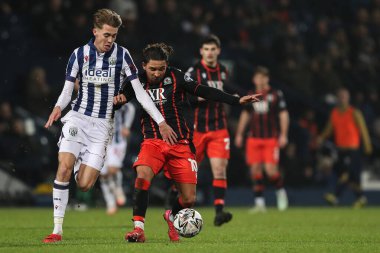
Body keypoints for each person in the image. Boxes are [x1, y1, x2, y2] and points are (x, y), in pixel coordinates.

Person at [42, 9, 176, 243]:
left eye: (114, 35)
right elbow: (67, 88)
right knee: (63, 167)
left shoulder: (123, 56)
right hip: (78, 117)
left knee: (84, 185)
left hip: (102, 127)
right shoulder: (79, 54)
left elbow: (141, 94)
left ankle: (79, 161)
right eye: (106, 35)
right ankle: (57, 230)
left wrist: (161, 121)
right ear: (95, 31)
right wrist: (57, 107)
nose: (110, 40)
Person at [122, 43, 260, 243]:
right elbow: (120, 100)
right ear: (143, 65)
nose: (157, 73)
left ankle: (171, 215)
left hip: (180, 143)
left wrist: (235, 100)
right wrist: (117, 101)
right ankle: (138, 229)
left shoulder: (176, 76)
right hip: (153, 141)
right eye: (152, 69)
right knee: (142, 175)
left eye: (161, 68)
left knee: (188, 200)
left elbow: (203, 90)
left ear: (166, 65)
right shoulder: (136, 82)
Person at [185, 35, 239, 226]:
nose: (209, 52)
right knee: (188, 172)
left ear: (218, 51)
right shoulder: (193, 71)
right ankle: (175, 205)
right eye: (206, 49)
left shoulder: (224, 71)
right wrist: (196, 99)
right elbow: (182, 98)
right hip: (197, 129)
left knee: (219, 169)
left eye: (213, 49)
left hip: (218, 128)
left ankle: (219, 211)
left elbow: (228, 93)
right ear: (201, 51)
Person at [235, 66, 289, 213]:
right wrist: (239, 133)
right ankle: (260, 204)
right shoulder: (251, 94)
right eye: (257, 77)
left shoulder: (276, 94)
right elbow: (245, 115)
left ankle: (280, 191)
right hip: (253, 139)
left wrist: (284, 134)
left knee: (271, 171)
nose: (260, 80)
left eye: (262, 77)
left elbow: (283, 115)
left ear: (267, 79)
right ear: (254, 79)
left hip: (270, 138)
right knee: (255, 171)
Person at [318, 87, 372, 208]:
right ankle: (361, 198)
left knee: (346, 173)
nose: (342, 99)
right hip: (341, 150)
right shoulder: (335, 113)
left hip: (353, 149)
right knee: (352, 177)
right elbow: (329, 128)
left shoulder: (354, 112)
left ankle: (336, 196)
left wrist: (367, 145)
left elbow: (363, 130)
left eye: (344, 96)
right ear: (337, 98)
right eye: (340, 96)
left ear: (348, 98)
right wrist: (321, 137)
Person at [99, 102, 136, 215]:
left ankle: (118, 189)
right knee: (103, 174)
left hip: (117, 140)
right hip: (100, 140)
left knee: (112, 170)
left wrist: (127, 126)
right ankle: (110, 203)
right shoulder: (95, 97)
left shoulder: (116, 96)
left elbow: (130, 107)